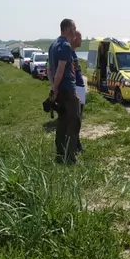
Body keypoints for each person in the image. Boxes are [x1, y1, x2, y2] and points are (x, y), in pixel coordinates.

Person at [48, 18, 81, 164]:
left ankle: (60, 154)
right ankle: (70, 157)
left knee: (62, 122)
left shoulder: (53, 45)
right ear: (68, 29)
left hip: (60, 92)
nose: (75, 31)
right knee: (74, 122)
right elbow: (60, 71)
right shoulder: (65, 46)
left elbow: (50, 70)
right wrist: (55, 88)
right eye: (74, 28)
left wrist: (53, 89)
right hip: (68, 90)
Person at [72, 29, 85, 155]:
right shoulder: (70, 52)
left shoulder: (73, 53)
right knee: (76, 119)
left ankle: (77, 143)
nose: (81, 40)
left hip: (79, 89)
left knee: (78, 118)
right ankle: (76, 146)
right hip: (76, 90)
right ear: (74, 38)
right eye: (80, 37)